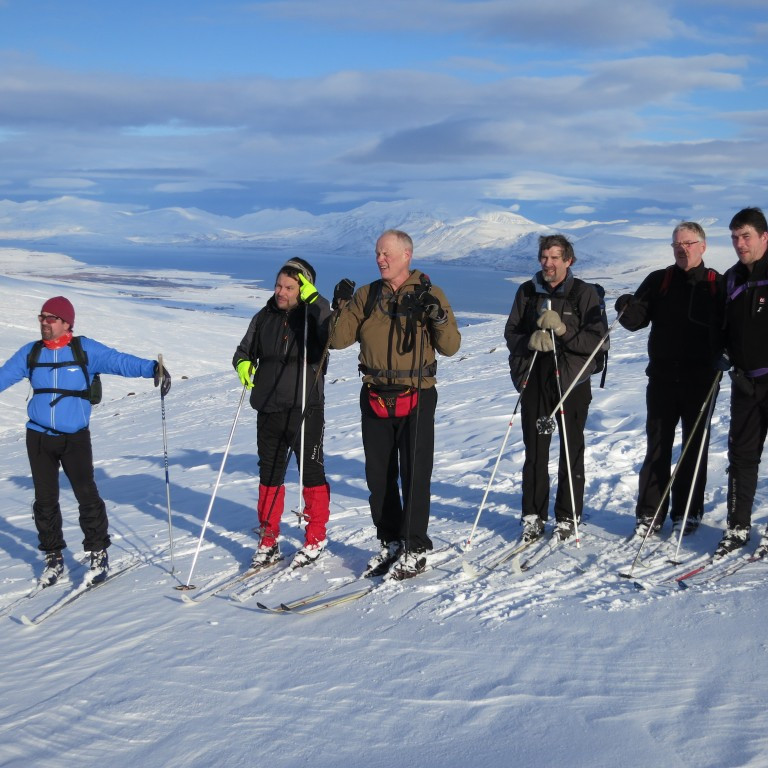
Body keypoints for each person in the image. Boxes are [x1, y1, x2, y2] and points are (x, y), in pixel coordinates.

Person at [0, 296, 171, 587]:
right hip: (38, 436)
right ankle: (53, 556)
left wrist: (152, 368)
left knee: (86, 495)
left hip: (75, 438)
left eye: (51, 318)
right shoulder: (31, 353)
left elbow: (118, 361)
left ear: (66, 323)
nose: (44, 322)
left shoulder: (84, 349)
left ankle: (97, 552)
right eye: (42, 316)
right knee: (45, 500)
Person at [330, 229, 461, 580]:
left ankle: (415, 545)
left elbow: (450, 347)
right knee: (379, 475)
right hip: (374, 393)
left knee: (415, 474)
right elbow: (338, 339)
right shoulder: (367, 295)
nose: (380, 259)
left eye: (386, 253)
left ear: (407, 255)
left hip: (416, 392)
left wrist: (438, 318)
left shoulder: (430, 294)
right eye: (377, 253)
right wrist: (340, 306)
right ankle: (389, 541)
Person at [615, 222, 725, 539]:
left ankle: (687, 512)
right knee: (657, 447)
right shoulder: (659, 280)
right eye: (677, 243)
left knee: (693, 446)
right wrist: (624, 304)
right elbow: (636, 321)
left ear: (702, 246)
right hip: (662, 378)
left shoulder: (716, 284)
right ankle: (650, 513)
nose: (682, 248)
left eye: (689, 243)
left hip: (702, 380)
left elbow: (731, 327)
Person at [232, 257, 332, 570]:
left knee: (311, 473)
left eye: (290, 287)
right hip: (269, 408)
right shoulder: (264, 317)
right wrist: (244, 365)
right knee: (270, 474)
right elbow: (243, 350)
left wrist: (316, 301)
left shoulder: (313, 317)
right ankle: (269, 538)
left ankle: (315, 536)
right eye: (279, 285)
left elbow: (335, 333)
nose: (281, 292)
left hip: (305, 408)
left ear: (304, 289)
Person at [504, 234, 603, 543]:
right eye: (543, 257)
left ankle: (568, 514)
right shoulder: (527, 292)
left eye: (554, 258)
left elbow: (598, 341)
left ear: (568, 260)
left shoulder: (583, 294)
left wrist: (562, 329)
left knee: (571, 448)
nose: (547, 263)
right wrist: (529, 340)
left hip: (572, 382)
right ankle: (532, 515)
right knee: (535, 449)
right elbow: (511, 333)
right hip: (535, 379)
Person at [714, 207, 768, 558]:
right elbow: (722, 325)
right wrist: (722, 350)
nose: (739, 243)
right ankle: (737, 526)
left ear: (764, 237)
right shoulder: (731, 278)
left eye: (746, 236)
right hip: (745, 383)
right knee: (742, 456)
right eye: (734, 237)